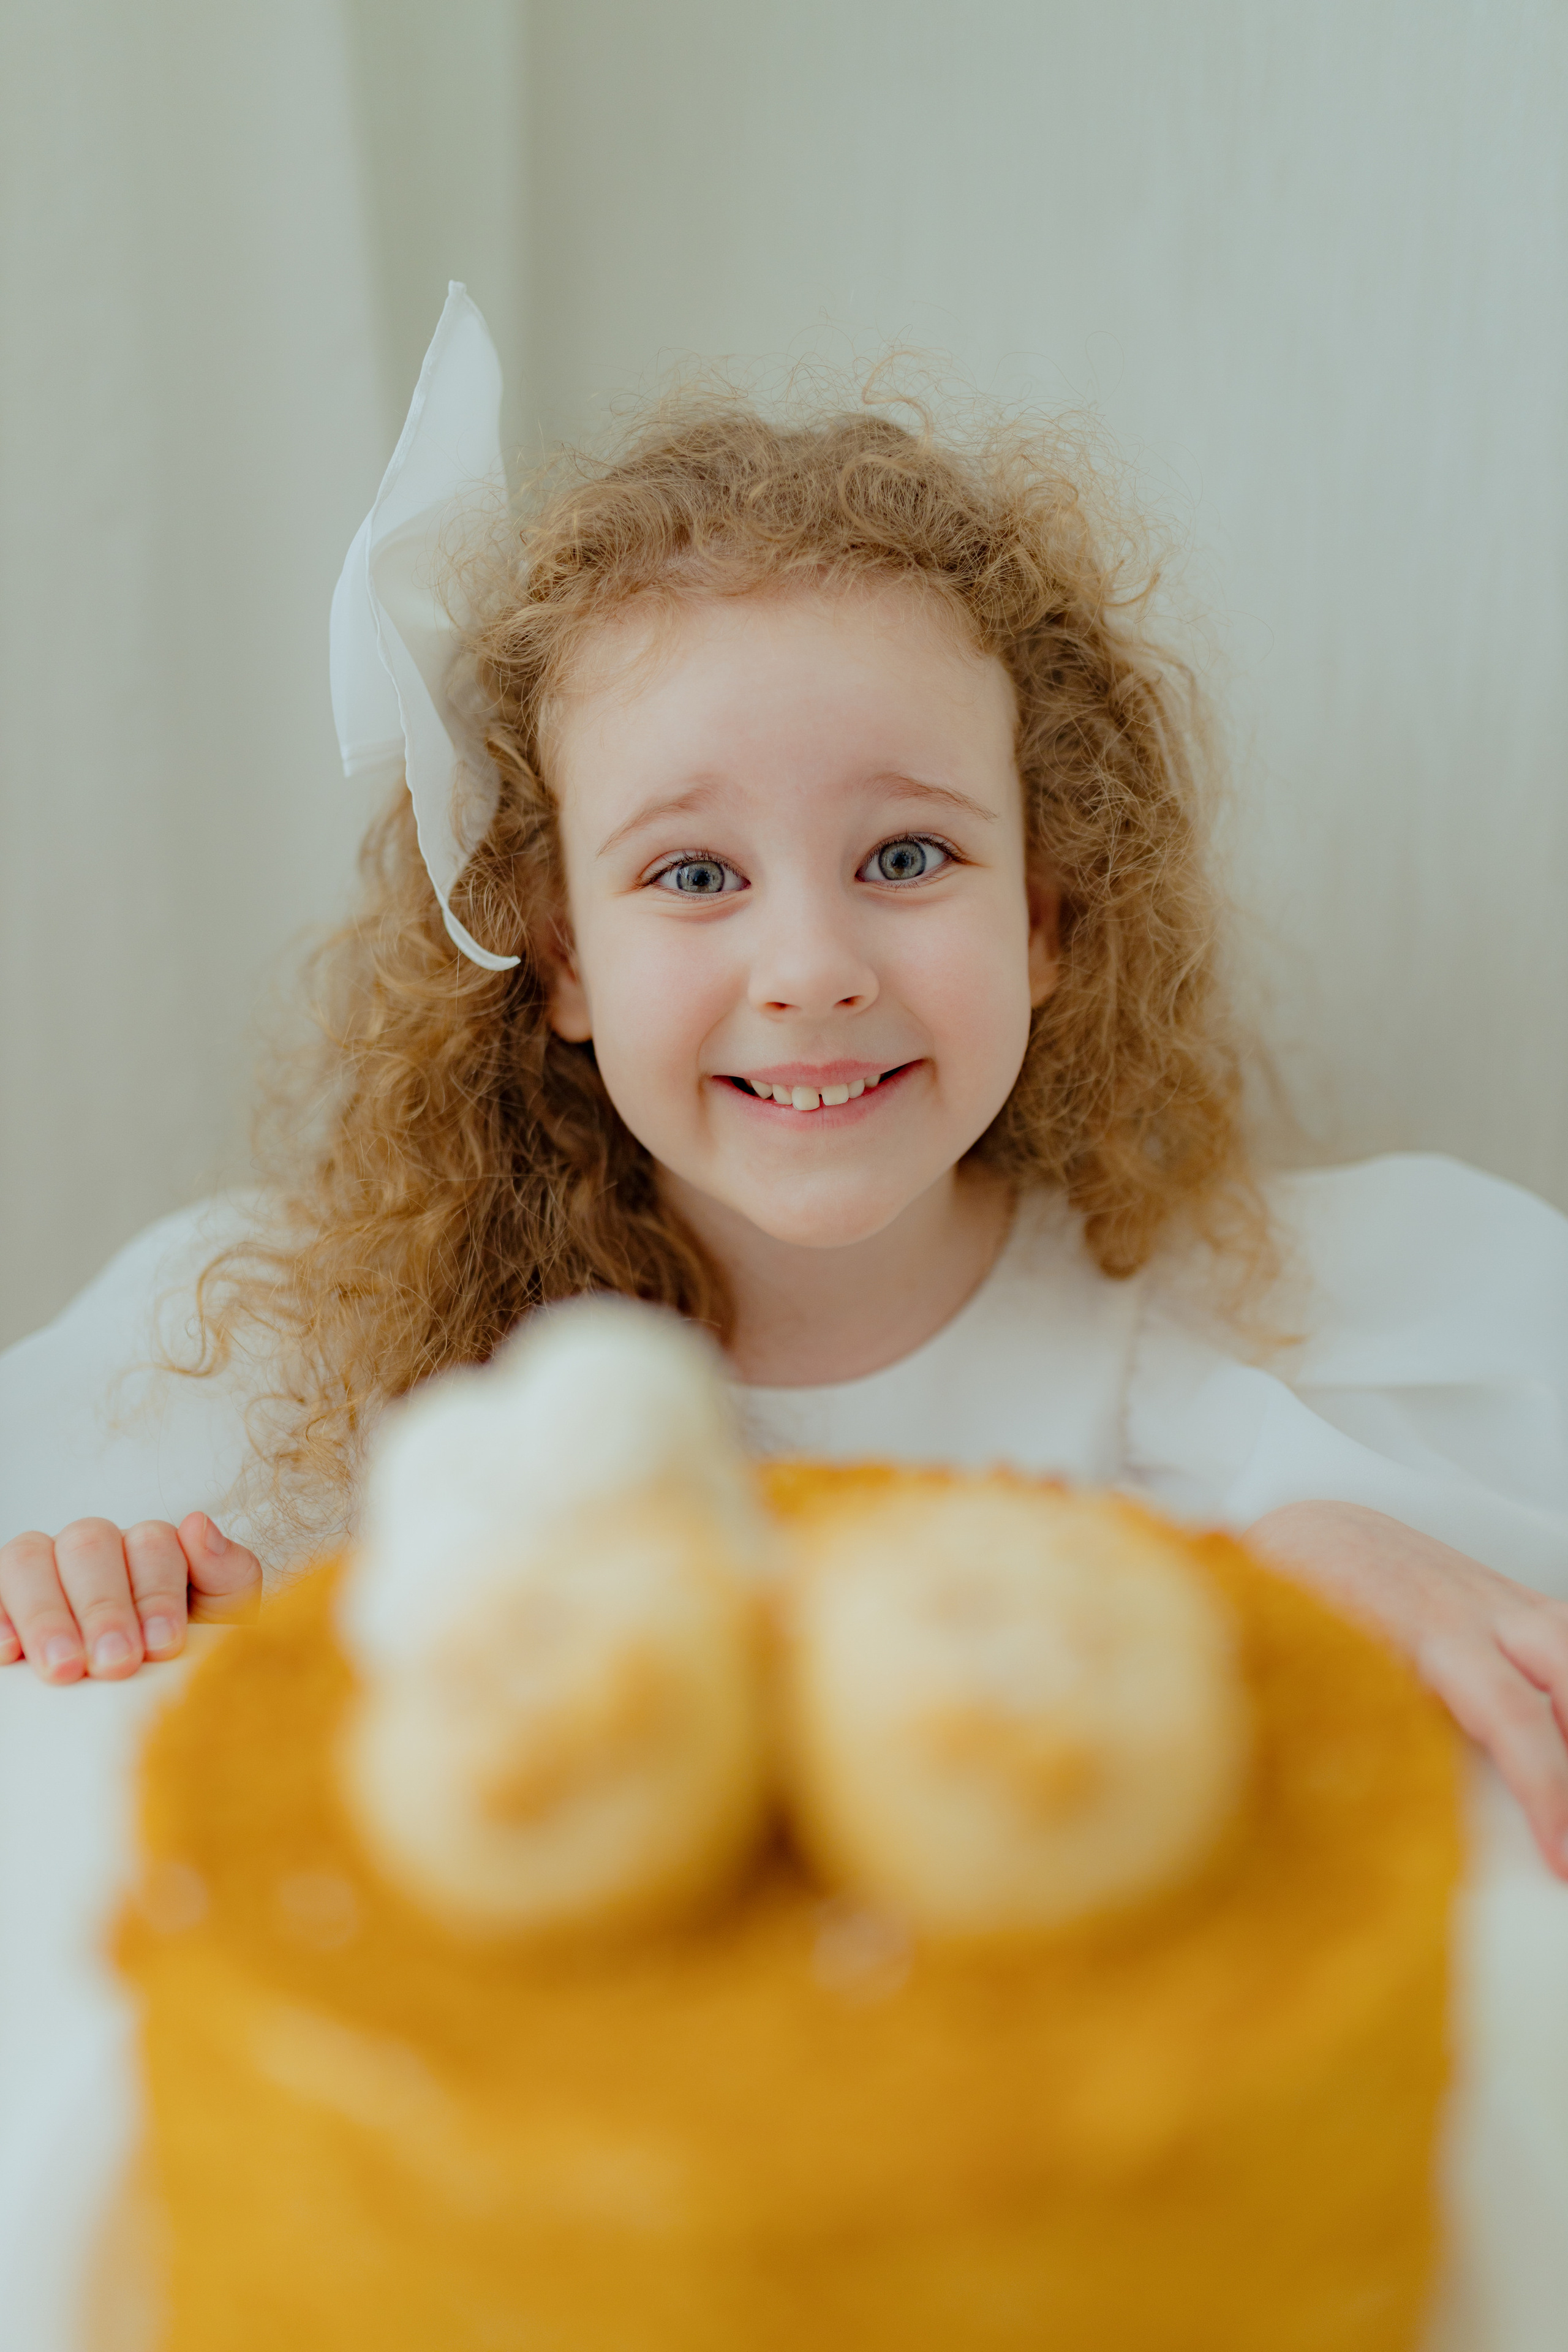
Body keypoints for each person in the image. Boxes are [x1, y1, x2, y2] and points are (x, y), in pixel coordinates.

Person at [3, 291, 1567, 1886]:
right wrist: (95, 1590)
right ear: (559, 959)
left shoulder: (1255, 1374)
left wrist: (1304, 1560)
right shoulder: (334, 1390)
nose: (811, 966)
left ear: (1043, 920)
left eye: (906, 855)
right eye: (692, 872)